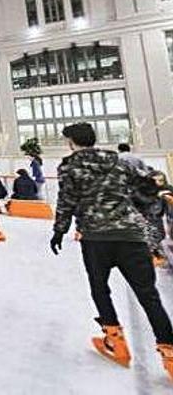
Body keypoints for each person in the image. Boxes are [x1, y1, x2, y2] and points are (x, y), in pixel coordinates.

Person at [50, 122, 173, 380]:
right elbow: (148, 185)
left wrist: (59, 230)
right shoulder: (118, 161)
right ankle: (169, 352)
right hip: (131, 236)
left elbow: (67, 200)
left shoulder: (70, 166)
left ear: (72, 141)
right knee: (149, 296)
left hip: (96, 237)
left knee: (99, 287)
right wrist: (143, 205)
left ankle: (115, 339)